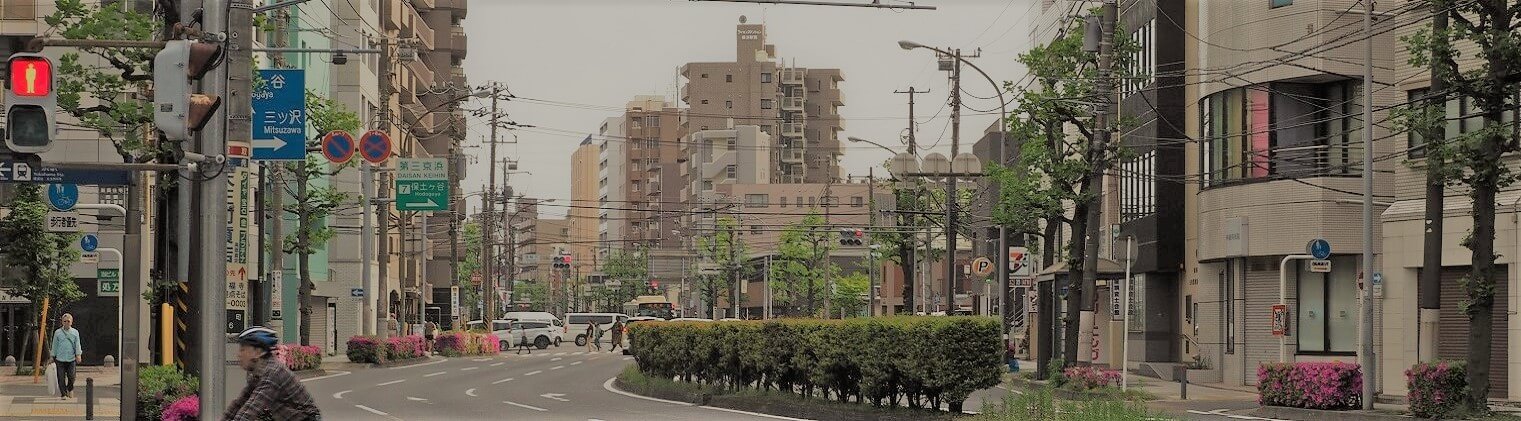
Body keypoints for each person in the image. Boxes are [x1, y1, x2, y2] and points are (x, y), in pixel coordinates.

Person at [224, 327, 321, 421]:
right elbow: (240, 403)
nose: (239, 355)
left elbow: (253, 407)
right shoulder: (258, 373)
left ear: (258, 352)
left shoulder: (274, 372)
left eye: (243, 350)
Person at [48, 313, 82, 398]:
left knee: (71, 376)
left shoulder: (75, 332)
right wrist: (52, 356)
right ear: (62, 322)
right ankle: (63, 394)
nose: (66, 323)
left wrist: (78, 354)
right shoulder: (57, 332)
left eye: (68, 321)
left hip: (71, 358)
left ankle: (70, 389)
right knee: (61, 377)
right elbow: (54, 345)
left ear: (71, 322)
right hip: (60, 359)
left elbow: (77, 344)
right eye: (65, 321)